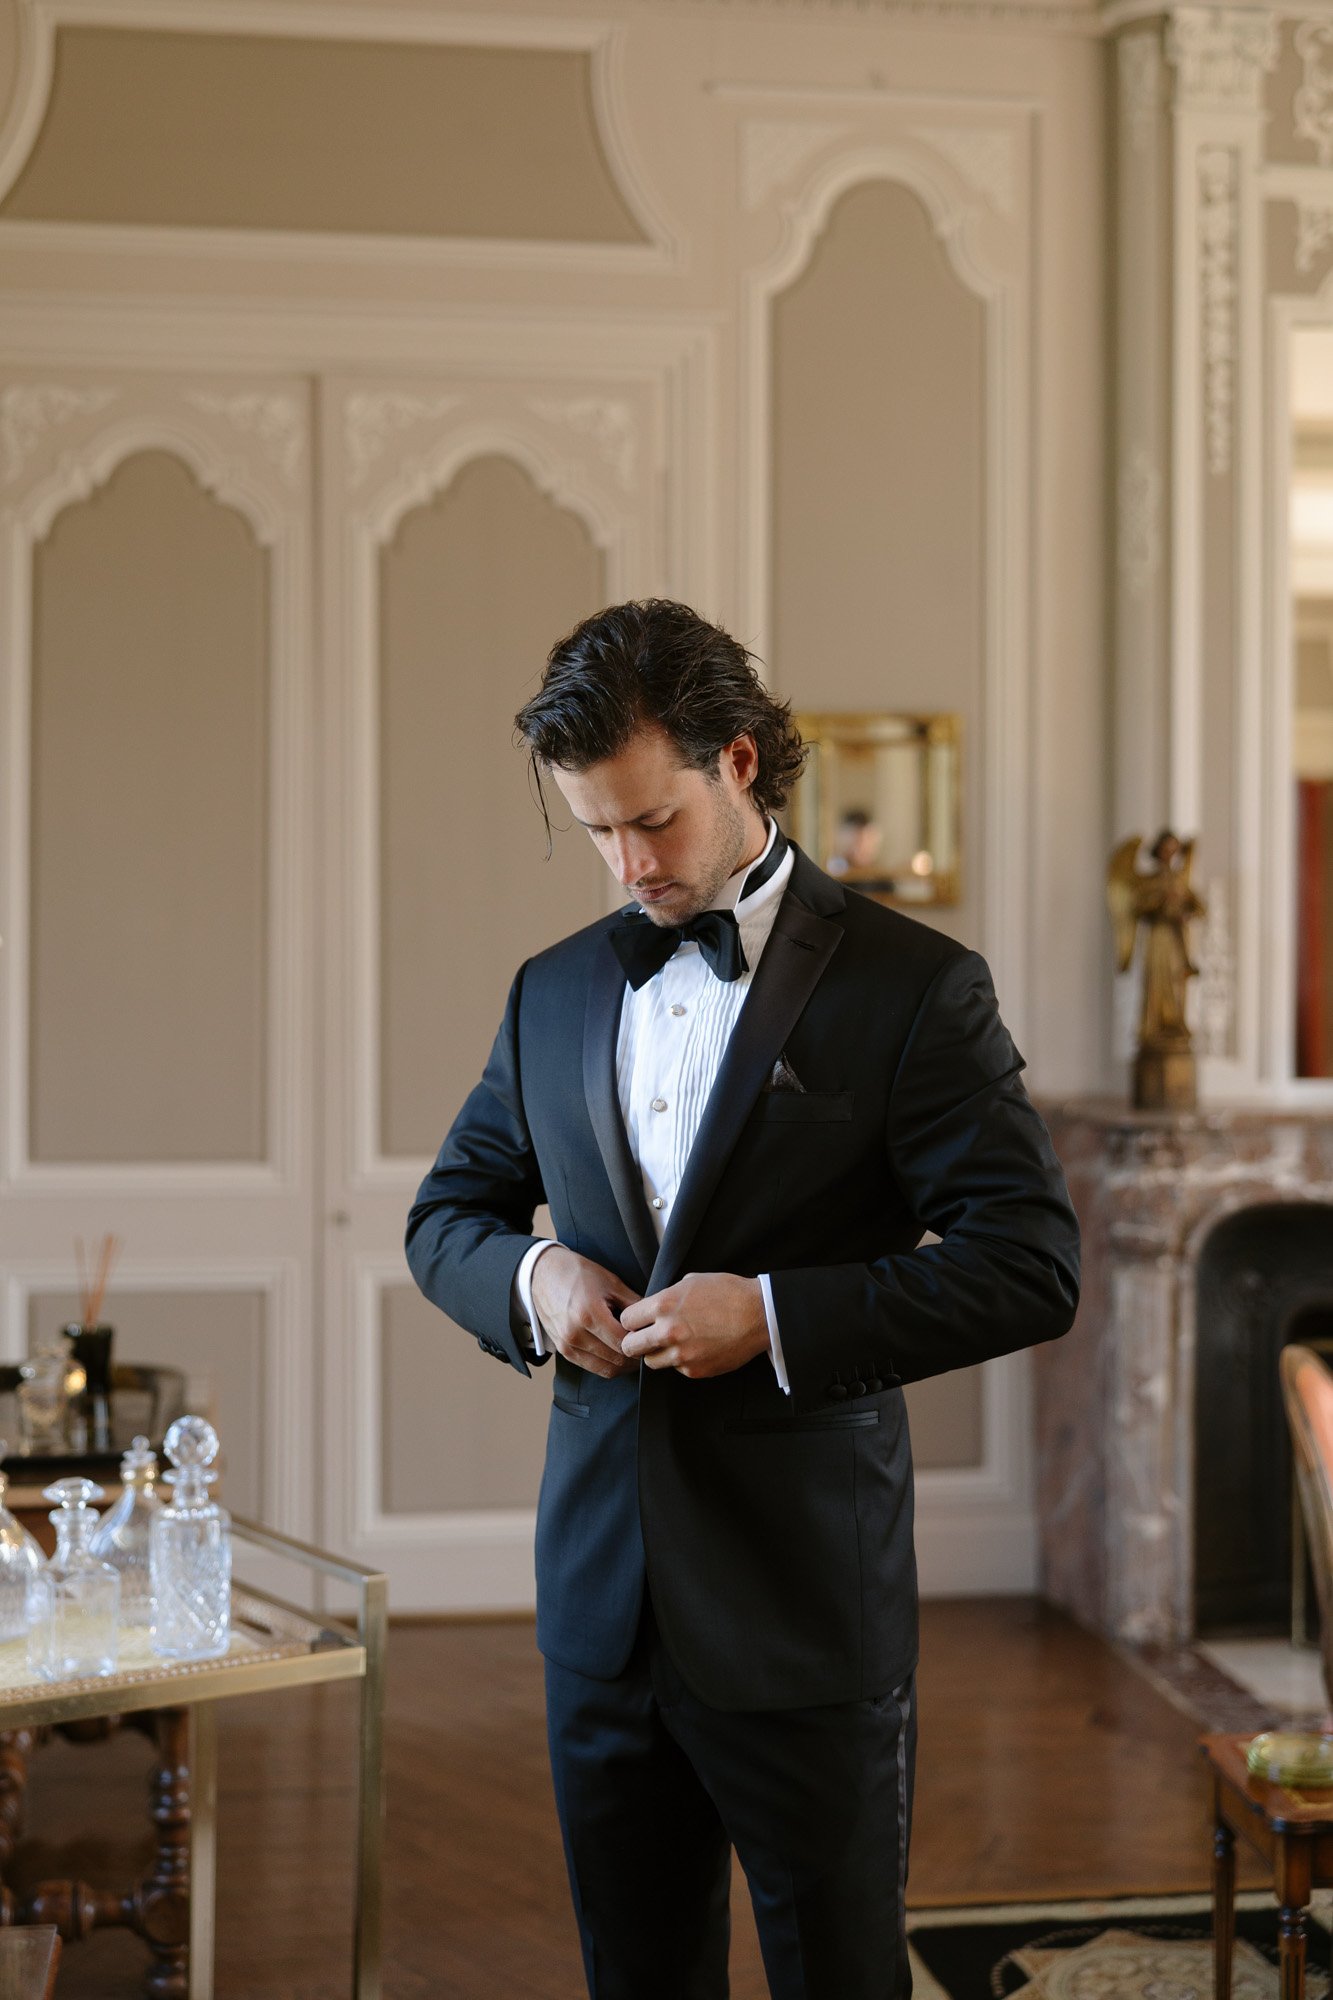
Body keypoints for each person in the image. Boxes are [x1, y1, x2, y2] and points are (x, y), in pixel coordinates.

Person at [405, 598, 1080, 2000]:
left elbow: (1029, 1262)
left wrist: (772, 1315)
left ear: (741, 760)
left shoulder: (914, 990)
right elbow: (444, 1220)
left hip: (800, 1610)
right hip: (599, 1609)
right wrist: (536, 1279)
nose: (626, 864)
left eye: (649, 821)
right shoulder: (551, 993)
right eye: (593, 831)